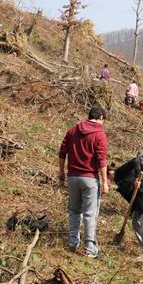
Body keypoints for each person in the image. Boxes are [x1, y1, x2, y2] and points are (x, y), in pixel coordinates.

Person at [58, 106, 109, 259]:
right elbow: (101, 159)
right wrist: (105, 181)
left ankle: (73, 244)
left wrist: (61, 172)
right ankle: (90, 249)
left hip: (72, 176)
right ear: (100, 117)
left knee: (74, 211)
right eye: (103, 120)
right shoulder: (99, 134)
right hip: (90, 178)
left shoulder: (73, 130)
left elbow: (62, 152)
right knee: (90, 214)